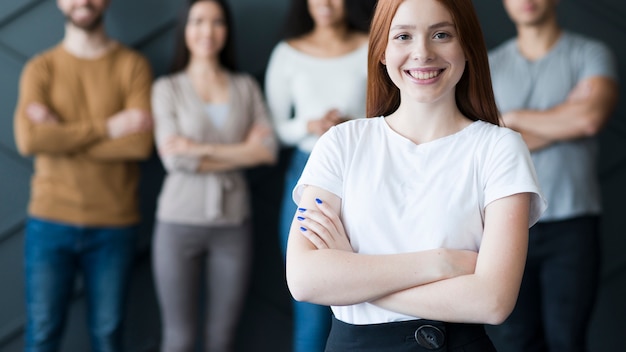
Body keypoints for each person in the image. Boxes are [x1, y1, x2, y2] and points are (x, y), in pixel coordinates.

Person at [284, 0, 548, 350]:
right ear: (381, 50)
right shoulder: (341, 143)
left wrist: (354, 278)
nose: (422, 52)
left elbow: (493, 301)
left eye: (441, 34)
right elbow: (305, 279)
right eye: (403, 36)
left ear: (467, 46)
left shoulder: (500, 148)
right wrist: (441, 263)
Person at [12, 0, 154, 351]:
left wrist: (61, 136)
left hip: (114, 224)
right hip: (49, 221)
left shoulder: (132, 66)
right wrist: (109, 127)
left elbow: (138, 145)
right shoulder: (40, 68)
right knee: (43, 334)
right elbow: (30, 139)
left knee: (108, 336)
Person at [486, 0, 619, 351]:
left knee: (567, 341)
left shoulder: (591, 53)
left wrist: (511, 118)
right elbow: (484, 147)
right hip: (508, 223)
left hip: (573, 224)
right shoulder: (490, 65)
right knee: (516, 342)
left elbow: (588, 119)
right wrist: (564, 121)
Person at [150, 1, 277, 351]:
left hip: (233, 224)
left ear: (227, 31)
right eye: (198, 21)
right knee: (178, 339)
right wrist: (241, 152)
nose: (207, 31)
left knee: (222, 340)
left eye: (217, 22)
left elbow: (267, 151)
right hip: (177, 223)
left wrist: (198, 148)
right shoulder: (167, 88)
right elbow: (174, 160)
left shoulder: (245, 86)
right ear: (185, 29)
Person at [264, 0, 375, 350]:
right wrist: (310, 125)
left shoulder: (371, 45)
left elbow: (389, 111)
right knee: (310, 303)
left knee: (364, 302)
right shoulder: (287, 53)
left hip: (363, 172)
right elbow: (274, 128)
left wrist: (348, 128)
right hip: (306, 174)